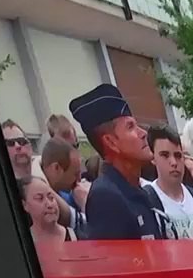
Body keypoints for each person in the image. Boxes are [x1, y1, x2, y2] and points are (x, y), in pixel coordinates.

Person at [69, 84, 166, 241]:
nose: (143, 133)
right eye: (130, 127)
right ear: (111, 142)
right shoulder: (106, 197)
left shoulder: (136, 189)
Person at [144, 125, 193, 240]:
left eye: (178, 156)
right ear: (153, 157)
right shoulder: (147, 201)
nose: (173, 162)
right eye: (165, 155)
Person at [39, 138, 87, 237]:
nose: (79, 179)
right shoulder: (39, 205)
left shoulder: (69, 197)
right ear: (56, 168)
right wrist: (85, 203)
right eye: (75, 174)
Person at [18, 176, 74, 247]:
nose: (49, 204)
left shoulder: (76, 237)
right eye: (39, 198)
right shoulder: (22, 242)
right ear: (25, 205)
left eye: (51, 197)